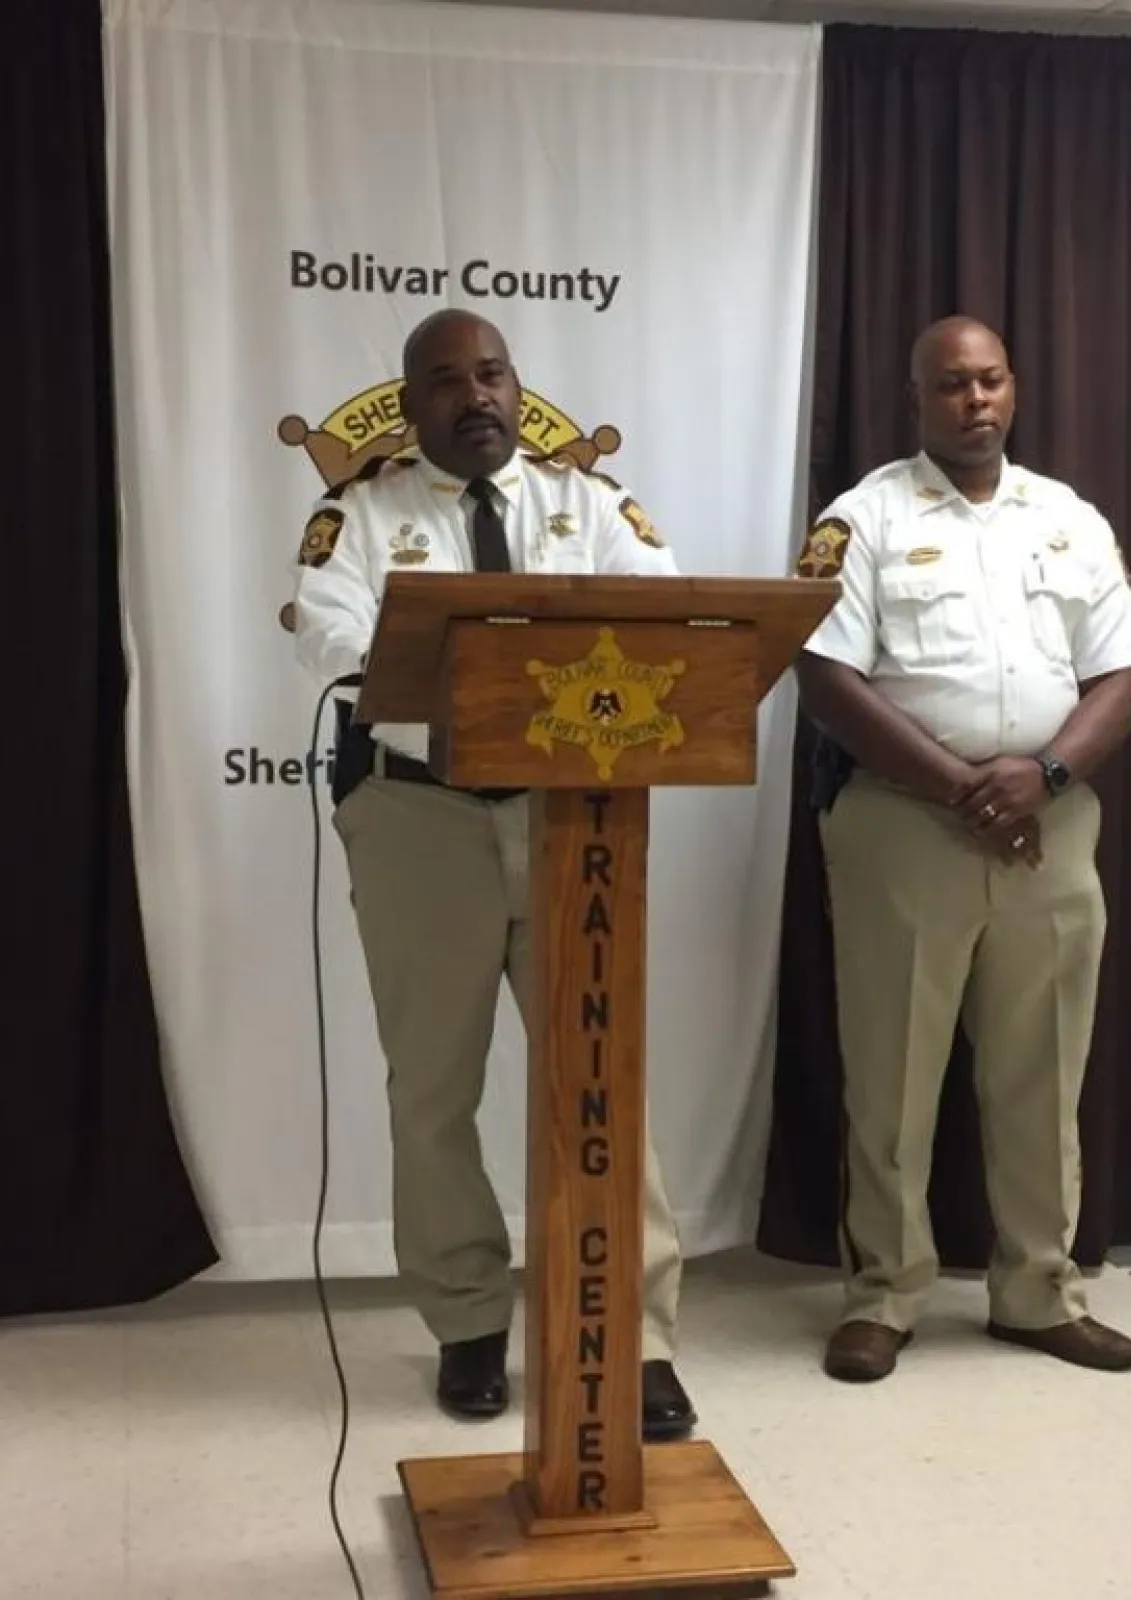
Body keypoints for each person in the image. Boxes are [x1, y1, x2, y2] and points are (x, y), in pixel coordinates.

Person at [292, 309, 696, 1437]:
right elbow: (333, 642)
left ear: (518, 389)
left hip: (575, 817)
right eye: (446, 381)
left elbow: (666, 614)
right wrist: (496, 675)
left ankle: (635, 1338)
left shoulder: (590, 506)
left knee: (603, 1076)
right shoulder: (360, 516)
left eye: (492, 375)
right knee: (434, 1090)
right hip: (422, 820)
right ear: (409, 405)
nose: (474, 397)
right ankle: (468, 1321)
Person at [796, 315, 1131, 1383]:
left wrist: (1042, 776)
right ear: (915, 398)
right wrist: (960, 787)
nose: (976, 400)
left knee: (1043, 1072)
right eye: (953, 384)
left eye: (992, 380)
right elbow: (826, 678)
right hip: (903, 822)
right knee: (892, 1075)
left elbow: (1122, 675)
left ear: (1014, 389)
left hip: (1051, 823)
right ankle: (883, 1294)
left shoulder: (1068, 518)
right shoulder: (860, 518)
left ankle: (1039, 1291)